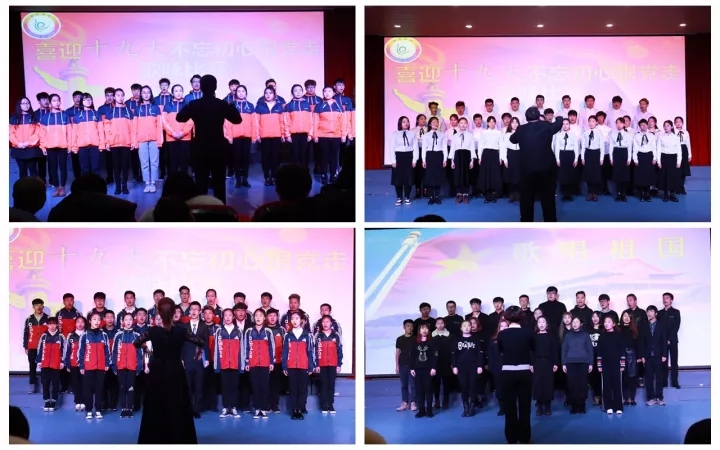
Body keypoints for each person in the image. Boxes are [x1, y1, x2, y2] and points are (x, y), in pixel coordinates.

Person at [133, 297, 204, 443]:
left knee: (155, 405)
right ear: (174, 313)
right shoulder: (181, 331)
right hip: (175, 371)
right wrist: (198, 351)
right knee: (176, 404)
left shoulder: (152, 331)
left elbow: (136, 342)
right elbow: (200, 342)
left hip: (157, 371)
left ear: (159, 312)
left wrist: (147, 348)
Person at [176, 74, 243, 204]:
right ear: (215, 87)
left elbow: (180, 117)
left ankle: (201, 209)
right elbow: (237, 120)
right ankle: (221, 210)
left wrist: (189, 106)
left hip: (200, 148)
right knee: (219, 184)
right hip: (218, 148)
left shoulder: (194, 104)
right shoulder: (222, 104)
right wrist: (231, 105)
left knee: (200, 183)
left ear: (200, 87)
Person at [509, 106, 563, 221]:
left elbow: (512, 139)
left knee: (526, 197)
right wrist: (558, 116)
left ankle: (526, 222)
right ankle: (550, 221)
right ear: (539, 117)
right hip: (546, 168)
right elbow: (559, 123)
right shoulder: (547, 126)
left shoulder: (521, 129)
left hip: (526, 169)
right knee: (548, 197)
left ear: (526, 118)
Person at [497, 306, 535, 444]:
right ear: (521, 317)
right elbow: (533, 348)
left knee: (509, 406)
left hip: (507, 373)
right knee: (525, 406)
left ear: (507, 317)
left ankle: (511, 438)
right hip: (524, 372)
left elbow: (500, 350)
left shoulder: (502, 334)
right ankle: (525, 437)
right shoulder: (528, 332)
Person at [282, 311, 315, 420]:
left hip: (303, 366)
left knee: (302, 389)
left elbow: (310, 352)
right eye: (292, 318)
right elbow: (285, 352)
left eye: (296, 318)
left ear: (301, 320)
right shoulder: (288, 335)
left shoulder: (307, 335)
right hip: (291, 366)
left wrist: (311, 366)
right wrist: (284, 366)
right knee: (293, 388)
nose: (294, 321)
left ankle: (300, 409)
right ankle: (294, 410)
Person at [79, 311, 111, 419]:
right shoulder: (84, 335)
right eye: (94, 319)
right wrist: (82, 366)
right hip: (88, 367)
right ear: (89, 321)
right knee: (87, 389)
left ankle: (98, 409)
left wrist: (107, 363)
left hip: (101, 367)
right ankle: (89, 410)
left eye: (98, 319)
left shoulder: (104, 335)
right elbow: (81, 351)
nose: (97, 321)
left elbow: (107, 351)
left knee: (99, 389)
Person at [112, 313, 143, 417]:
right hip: (120, 366)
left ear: (133, 321)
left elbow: (140, 353)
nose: (128, 321)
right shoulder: (118, 335)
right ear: (122, 322)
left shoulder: (137, 336)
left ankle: (129, 407)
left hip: (132, 366)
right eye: (126, 319)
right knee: (122, 387)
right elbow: (114, 351)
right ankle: (123, 407)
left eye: (130, 319)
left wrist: (139, 366)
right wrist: (114, 365)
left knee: (131, 387)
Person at [244, 308, 274, 419]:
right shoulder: (249, 331)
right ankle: (257, 409)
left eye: (260, 315)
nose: (258, 317)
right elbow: (246, 347)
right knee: (255, 387)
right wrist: (247, 361)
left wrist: (271, 362)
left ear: (264, 318)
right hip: (253, 363)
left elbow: (272, 347)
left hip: (265, 364)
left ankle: (264, 409)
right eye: (256, 315)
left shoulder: (268, 331)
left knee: (264, 387)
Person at [224, 85, 256, 188]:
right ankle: (238, 180)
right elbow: (227, 123)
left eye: (243, 91)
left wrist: (254, 136)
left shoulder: (250, 106)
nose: (241, 93)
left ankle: (245, 180)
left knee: (245, 159)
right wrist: (229, 136)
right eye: (239, 91)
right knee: (237, 159)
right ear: (235, 93)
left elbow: (254, 123)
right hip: (235, 137)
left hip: (247, 136)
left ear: (246, 93)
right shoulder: (231, 106)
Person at [214, 308, 243, 418]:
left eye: (230, 315)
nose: (227, 317)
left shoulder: (238, 331)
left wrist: (241, 365)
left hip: (235, 364)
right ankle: (226, 407)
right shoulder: (219, 331)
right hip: (223, 364)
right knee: (225, 386)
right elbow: (216, 349)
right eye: (225, 315)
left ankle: (233, 407)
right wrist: (217, 365)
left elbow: (242, 349)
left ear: (233, 317)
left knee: (234, 387)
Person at [561, 317, 593, 414]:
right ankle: (574, 406)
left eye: (577, 322)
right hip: (570, 363)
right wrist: (563, 363)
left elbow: (590, 350)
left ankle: (581, 405)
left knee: (582, 385)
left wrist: (591, 363)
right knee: (572, 385)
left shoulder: (585, 336)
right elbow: (564, 350)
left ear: (581, 324)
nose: (574, 324)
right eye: (573, 322)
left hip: (583, 363)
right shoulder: (568, 336)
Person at [452, 320, 483, 417]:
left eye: (468, 325)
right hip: (461, 367)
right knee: (464, 387)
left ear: (471, 327)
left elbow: (480, 354)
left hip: (473, 366)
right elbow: (454, 355)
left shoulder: (476, 340)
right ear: (461, 328)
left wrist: (480, 366)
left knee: (473, 386)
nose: (466, 327)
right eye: (464, 326)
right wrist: (454, 366)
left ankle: (472, 407)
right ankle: (465, 407)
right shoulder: (457, 341)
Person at [256, 86, 285, 186]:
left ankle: (274, 176)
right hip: (264, 136)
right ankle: (267, 177)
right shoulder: (259, 106)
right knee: (265, 157)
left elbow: (282, 122)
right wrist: (257, 135)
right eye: (266, 93)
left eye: (270, 93)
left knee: (275, 157)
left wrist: (283, 134)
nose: (268, 95)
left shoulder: (279, 106)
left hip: (277, 136)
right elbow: (256, 123)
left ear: (274, 95)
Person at [314, 315, 343, 414]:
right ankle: (324, 406)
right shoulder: (318, 335)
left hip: (333, 364)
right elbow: (315, 351)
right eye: (323, 322)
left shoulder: (336, 335)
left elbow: (339, 350)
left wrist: (339, 364)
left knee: (331, 385)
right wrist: (316, 364)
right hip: (321, 364)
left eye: (327, 322)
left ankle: (330, 405)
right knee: (323, 385)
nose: (325, 324)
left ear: (331, 323)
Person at [596, 315, 625, 414]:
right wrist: (599, 365)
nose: (606, 324)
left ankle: (619, 407)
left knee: (617, 386)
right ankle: (608, 406)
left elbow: (622, 350)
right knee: (606, 386)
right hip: (605, 364)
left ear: (613, 324)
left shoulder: (618, 335)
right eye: (605, 322)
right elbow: (599, 351)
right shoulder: (602, 336)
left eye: (609, 322)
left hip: (616, 364)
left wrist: (622, 364)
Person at [36, 317, 65, 412]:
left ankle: (54, 401)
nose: (52, 326)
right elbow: (39, 349)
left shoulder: (61, 336)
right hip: (45, 364)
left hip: (56, 364)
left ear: (57, 325)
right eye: (50, 324)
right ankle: (47, 401)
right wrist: (39, 360)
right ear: (47, 325)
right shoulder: (44, 336)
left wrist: (62, 361)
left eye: (54, 324)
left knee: (56, 384)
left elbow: (64, 350)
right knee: (45, 384)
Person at [531, 316, 558, 416]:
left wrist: (555, 363)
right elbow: (531, 352)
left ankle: (547, 406)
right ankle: (539, 406)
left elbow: (554, 350)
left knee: (548, 384)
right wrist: (531, 364)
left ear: (546, 324)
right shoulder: (534, 337)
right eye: (539, 322)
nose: (541, 324)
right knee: (537, 384)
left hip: (548, 362)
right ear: (537, 324)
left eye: (543, 322)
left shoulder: (551, 336)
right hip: (537, 362)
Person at [410, 323, 437, 418]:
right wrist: (412, 368)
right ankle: (421, 410)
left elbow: (435, 356)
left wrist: (434, 368)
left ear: (429, 330)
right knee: (419, 391)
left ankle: (429, 410)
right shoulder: (415, 342)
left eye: (426, 328)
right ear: (419, 330)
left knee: (428, 390)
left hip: (428, 370)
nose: (424, 330)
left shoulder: (432, 342)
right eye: (422, 328)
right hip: (417, 370)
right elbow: (412, 356)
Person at [10, 97, 41, 177]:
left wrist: (28, 143)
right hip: (18, 148)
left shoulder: (34, 117)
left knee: (33, 170)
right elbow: (11, 133)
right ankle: (23, 185)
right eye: (23, 103)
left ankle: (35, 185)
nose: (26, 105)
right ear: (19, 105)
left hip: (32, 149)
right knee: (22, 170)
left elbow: (38, 133)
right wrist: (18, 143)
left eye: (28, 103)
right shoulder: (13, 118)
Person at [284, 84, 314, 167]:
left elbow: (311, 120)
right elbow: (286, 122)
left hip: (305, 135)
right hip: (293, 135)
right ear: (292, 93)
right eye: (295, 90)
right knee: (295, 156)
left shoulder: (307, 105)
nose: (298, 92)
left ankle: (304, 172)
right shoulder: (288, 106)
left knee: (304, 156)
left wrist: (310, 134)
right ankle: (295, 173)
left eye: (300, 90)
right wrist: (287, 135)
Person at [23, 298, 49, 394]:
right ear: (33, 307)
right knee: (32, 366)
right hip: (32, 347)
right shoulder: (29, 319)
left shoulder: (48, 318)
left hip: (44, 347)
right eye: (36, 305)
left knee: (44, 368)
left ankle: (44, 385)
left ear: (43, 306)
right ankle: (32, 385)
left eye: (40, 305)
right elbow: (26, 334)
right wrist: (26, 346)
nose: (39, 307)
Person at [391, 116, 418, 205]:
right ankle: (399, 197)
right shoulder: (395, 134)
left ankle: (407, 197)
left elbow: (415, 147)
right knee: (398, 178)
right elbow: (392, 148)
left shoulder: (412, 134)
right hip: (398, 157)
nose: (406, 123)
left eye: (407, 121)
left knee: (408, 178)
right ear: (400, 123)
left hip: (409, 156)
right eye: (404, 121)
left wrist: (414, 160)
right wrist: (393, 160)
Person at [656, 292, 681, 389]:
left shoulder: (676, 312)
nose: (665, 300)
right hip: (662, 342)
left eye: (667, 298)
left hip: (673, 340)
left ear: (671, 300)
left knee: (674, 362)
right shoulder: (660, 313)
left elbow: (676, 327)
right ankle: (664, 381)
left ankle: (675, 382)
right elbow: (658, 327)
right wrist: (664, 339)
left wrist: (669, 339)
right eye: (663, 298)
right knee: (663, 362)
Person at [63, 316, 86, 411]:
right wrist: (67, 363)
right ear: (75, 324)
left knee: (84, 383)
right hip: (73, 364)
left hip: (85, 364)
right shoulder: (70, 335)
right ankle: (77, 402)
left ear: (85, 323)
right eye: (78, 322)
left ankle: (84, 401)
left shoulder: (87, 334)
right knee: (75, 383)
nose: (80, 324)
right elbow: (67, 350)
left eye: (82, 322)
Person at [656, 120, 682, 202]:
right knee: (664, 176)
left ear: (671, 127)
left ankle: (672, 194)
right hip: (664, 157)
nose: (666, 127)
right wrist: (658, 161)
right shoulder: (661, 137)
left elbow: (679, 150)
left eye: (668, 125)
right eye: (665, 126)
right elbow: (658, 149)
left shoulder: (675, 137)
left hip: (673, 158)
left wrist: (678, 162)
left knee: (673, 176)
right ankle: (665, 195)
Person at [449, 117, 474, 204]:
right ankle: (459, 194)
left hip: (467, 155)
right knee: (458, 176)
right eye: (461, 123)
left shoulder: (470, 135)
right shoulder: (455, 136)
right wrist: (452, 160)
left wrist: (472, 160)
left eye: (465, 123)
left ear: (467, 125)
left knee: (466, 176)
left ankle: (466, 195)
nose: (463, 125)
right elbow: (452, 148)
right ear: (458, 124)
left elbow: (472, 147)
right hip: (457, 155)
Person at [632, 119, 657, 202]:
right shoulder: (636, 136)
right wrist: (635, 159)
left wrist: (655, 158)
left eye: (645, 124)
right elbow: (635, 148)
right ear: (639, 126)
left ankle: (648, 194)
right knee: (641, 176)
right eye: (642, 125)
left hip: (649, 156)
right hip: (640, 156)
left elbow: (654, 147)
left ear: (647, 125)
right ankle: (642, 194)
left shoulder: (651, 135)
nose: (643, 126)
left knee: (648, 175)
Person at [619, 311, 640, 406]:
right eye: (625, 316)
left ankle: (632, 398)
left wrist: (639, 357)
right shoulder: (618, 329)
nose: (626, 318)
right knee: (624, 378)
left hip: (632, 355)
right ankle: (625, 399)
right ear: (622, 317)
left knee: (632, 377)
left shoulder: (635, 329)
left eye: (628, 316)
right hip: (621, 355)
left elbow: (638, 344)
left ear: (631, 318)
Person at [609, 117, 632, 202]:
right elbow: (611, 146)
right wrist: (611, 158)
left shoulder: (627, 135)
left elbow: (629, 147)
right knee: (617, 175)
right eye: (617, 123)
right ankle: (618, 193)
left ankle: (623, 193)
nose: (619, 125)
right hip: (616, 153)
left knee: (625, 175)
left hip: (624, 153)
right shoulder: (613, 134)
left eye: (620, 123)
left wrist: (629, 158)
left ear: (624, 124)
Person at [395, 319, 416, 412]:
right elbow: (397, 353)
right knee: (404, 385)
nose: (409, 328)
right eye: (408, 326)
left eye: (411, 326)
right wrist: (397, 366)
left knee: (413, 385)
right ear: (404, 327)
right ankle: (405, 402)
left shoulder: (416, 339)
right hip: (402, 364)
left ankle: (413, 402)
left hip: (413, 366)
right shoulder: (400, 339)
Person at [674, 116, 692, 194]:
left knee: (683, 170)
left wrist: (689, 155)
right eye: (677, 122)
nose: (678, 123)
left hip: (684, 150)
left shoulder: (686, 132)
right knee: (676, 169)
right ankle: (676, 188)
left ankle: (681, 188)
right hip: (675, 150)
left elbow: (688, 144)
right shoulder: (673, 132)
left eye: (680, 122)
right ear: (674, 123)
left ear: (682, 123)